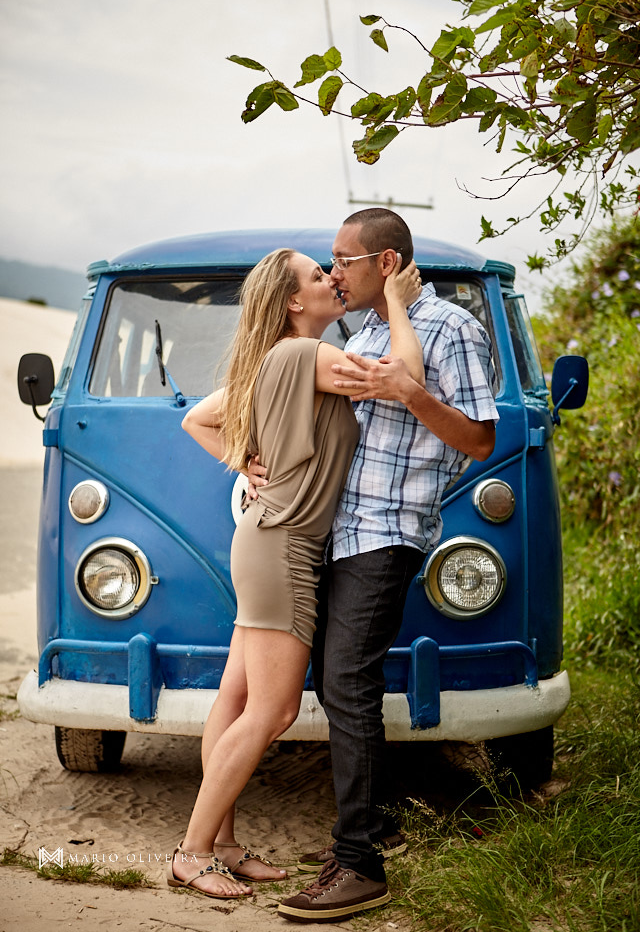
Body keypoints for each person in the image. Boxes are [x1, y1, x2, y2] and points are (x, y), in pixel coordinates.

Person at [248, 210, 499, 923]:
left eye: (343, 260)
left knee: (346, 682)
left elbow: (480, 441)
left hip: (389, 532)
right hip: (342, 531)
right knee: (338, 684)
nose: (333, 274)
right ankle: (374, 826)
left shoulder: (452, 328)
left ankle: (360, 863)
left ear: (385, 263)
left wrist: (411, 393)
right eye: (327, 262)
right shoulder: (367, 332)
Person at [169, 245, 425, 900]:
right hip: (283, 548)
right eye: (318, 276)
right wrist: (395, 301)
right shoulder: (308, 356)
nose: (332, 280)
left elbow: (198, 418)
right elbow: (403, 376)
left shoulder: (273, 361)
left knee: (237, 699)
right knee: (275, 709)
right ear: (291, 301)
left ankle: (221, 843)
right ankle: (194, 852)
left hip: (270, 541)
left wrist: (242, 460)